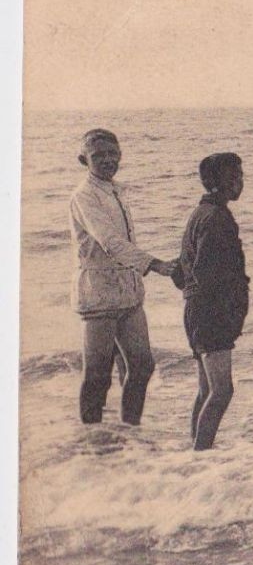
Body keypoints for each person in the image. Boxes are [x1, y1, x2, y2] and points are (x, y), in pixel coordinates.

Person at [68, 129, 177, 426]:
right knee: (97, 375)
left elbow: (123, 242)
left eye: (112, 154)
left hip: (128, 292)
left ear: (120, 156)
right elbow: (109, 241)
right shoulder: (84, 196)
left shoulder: (116, 190)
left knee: (142, 366)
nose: (107, 160)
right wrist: (155, 264)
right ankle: (92, 440)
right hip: (99, 293)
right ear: (83, 160)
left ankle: (130, 432)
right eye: (98, 155)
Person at [177, 152, 249, 450]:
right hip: (211, 312)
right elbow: (206, 273)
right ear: (219, 183)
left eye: (240, 176)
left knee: (206, 388)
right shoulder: (217, 218)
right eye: (235, 177)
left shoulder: (201, 213)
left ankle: (196, 451)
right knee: (222, 391)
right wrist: (230, 311)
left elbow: (184, 272)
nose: (240, 183)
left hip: (197, 311)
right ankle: (201, 453)